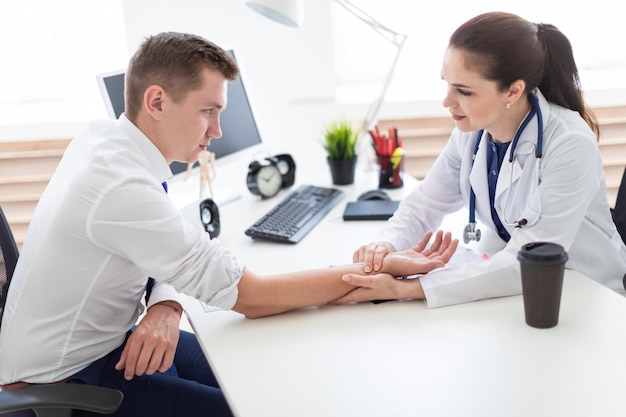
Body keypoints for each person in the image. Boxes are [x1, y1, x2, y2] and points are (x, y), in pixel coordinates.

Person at [0, 32, 458, 417]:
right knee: (255, 403)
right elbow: (252, 298)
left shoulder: (107, 139)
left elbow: (160, 238)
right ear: (156, 101)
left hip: (111, 344)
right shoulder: (120, 186)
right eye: (208, 111)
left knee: (272, 376)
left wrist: (165, 304)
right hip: (67, 381)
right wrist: (376, 274)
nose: (217, 130)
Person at [337, 12, 626, 308]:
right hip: (515, 288)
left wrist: (408, 289)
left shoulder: (568, 143)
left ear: (513, 90)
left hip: (585, 292)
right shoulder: (471, 131)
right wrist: (386, 245)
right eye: (447, 84)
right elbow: (425, 204)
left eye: (463, 91)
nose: (447, 101)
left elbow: (530, 258)